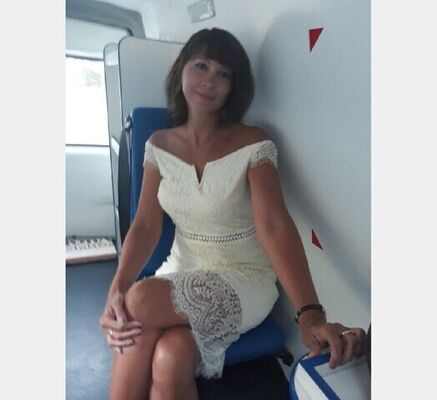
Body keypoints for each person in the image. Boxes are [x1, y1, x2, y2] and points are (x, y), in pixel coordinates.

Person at [100, 27, 365, 400]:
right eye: (201, 66)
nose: (209, 80)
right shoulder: (157, 145)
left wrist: (310, 315)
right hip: (181, 270)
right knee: (170, 357)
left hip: (243, 277)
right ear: (181, 70)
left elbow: (274, 224)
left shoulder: (253, 142)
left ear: (233, 87)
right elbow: (145, 225)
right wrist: (116, 287)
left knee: (139, 301)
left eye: (222, 73)